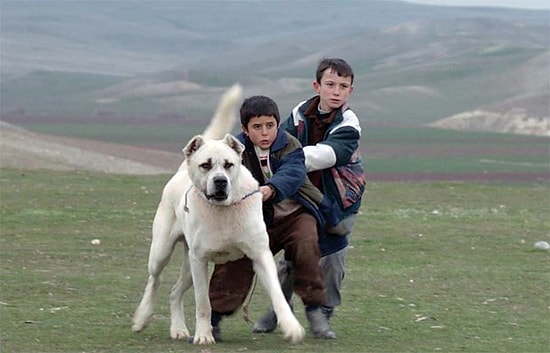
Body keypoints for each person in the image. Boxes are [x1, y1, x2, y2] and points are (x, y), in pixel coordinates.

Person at [207, 95, 341, 340]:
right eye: (257, 127)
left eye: (270, 125)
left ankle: (314, 311)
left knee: (306, 244)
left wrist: (271, 188)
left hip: (294, 214)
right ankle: (213, 318)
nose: (265, 132)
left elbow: (293, 173)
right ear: (245, 130)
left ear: (277, 125)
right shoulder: (234, 150)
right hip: (253, 219)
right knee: (235, 258)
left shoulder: (289, 145)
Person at [252, 58, 367, 338]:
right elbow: (278, 140)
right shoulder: (299, 114)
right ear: (317, 86)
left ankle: (324, 314)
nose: (336, 91)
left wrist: (288, 162)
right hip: (303, 197)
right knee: (294, 254)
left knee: (333, 259)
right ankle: (280, 310)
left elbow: (328, 155)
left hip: (340, 200)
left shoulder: (349, 125)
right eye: (330, 84)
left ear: (351, 90)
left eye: (343, 86)